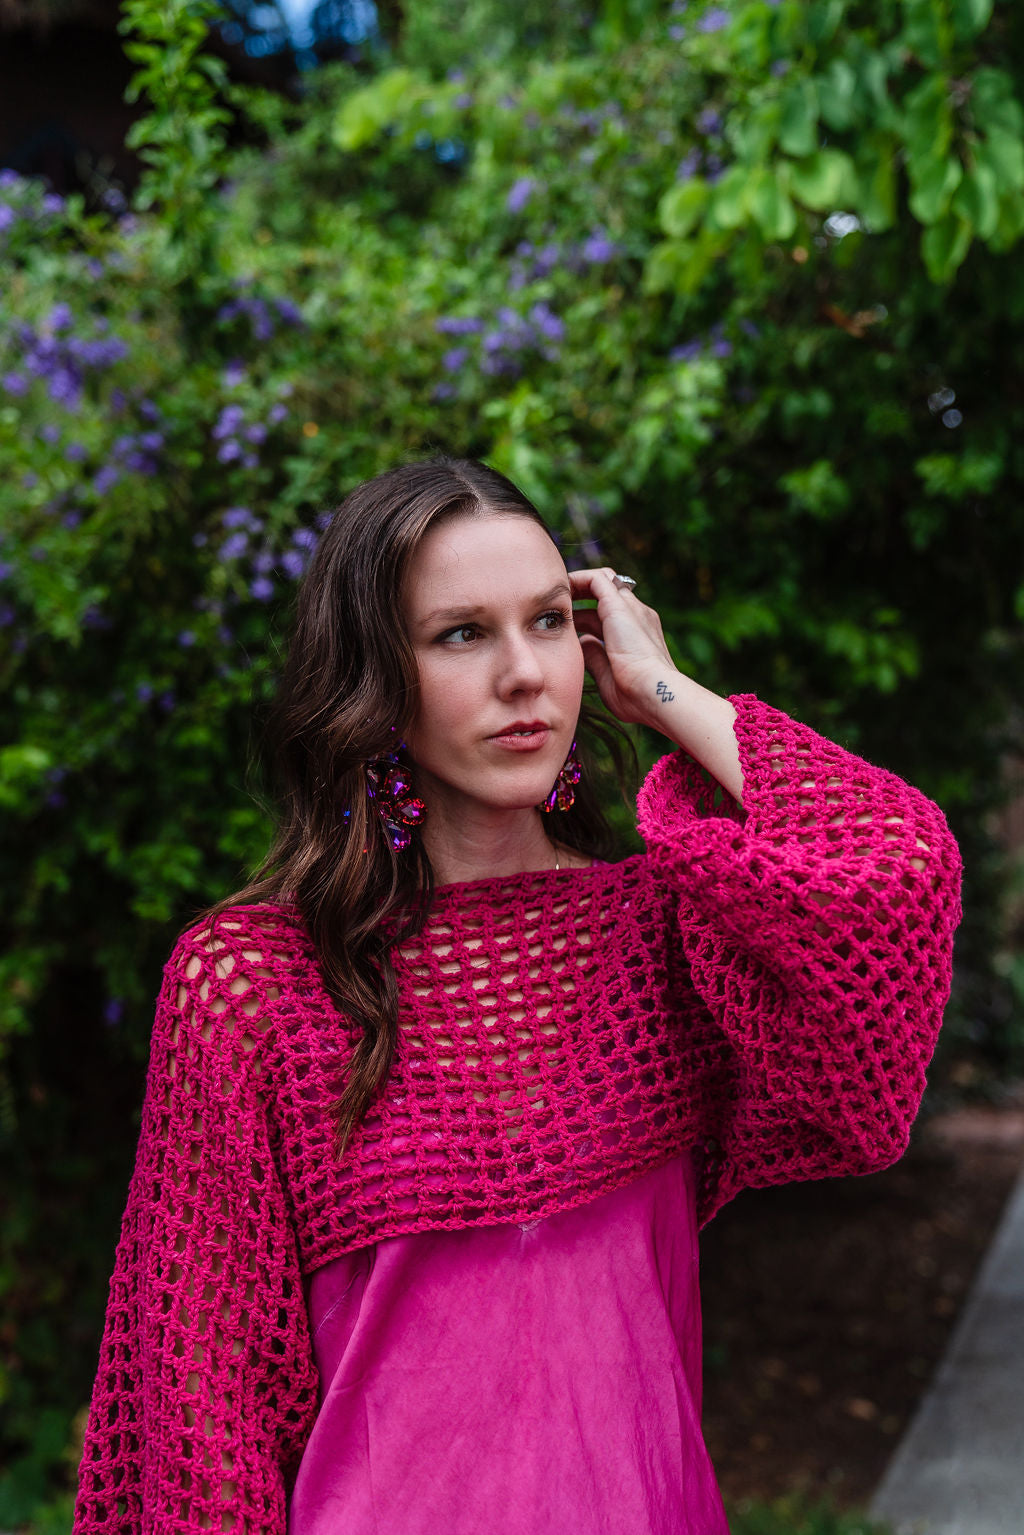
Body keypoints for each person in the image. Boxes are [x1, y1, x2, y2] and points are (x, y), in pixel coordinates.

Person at [73, 455, 962, 1534]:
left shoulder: (660, 938)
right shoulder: (257, 983)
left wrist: (666, 691)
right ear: (372, 677)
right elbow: (199, 1418)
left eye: (547, 623)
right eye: (462, 633)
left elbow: (895, 869)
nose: (523, 674)